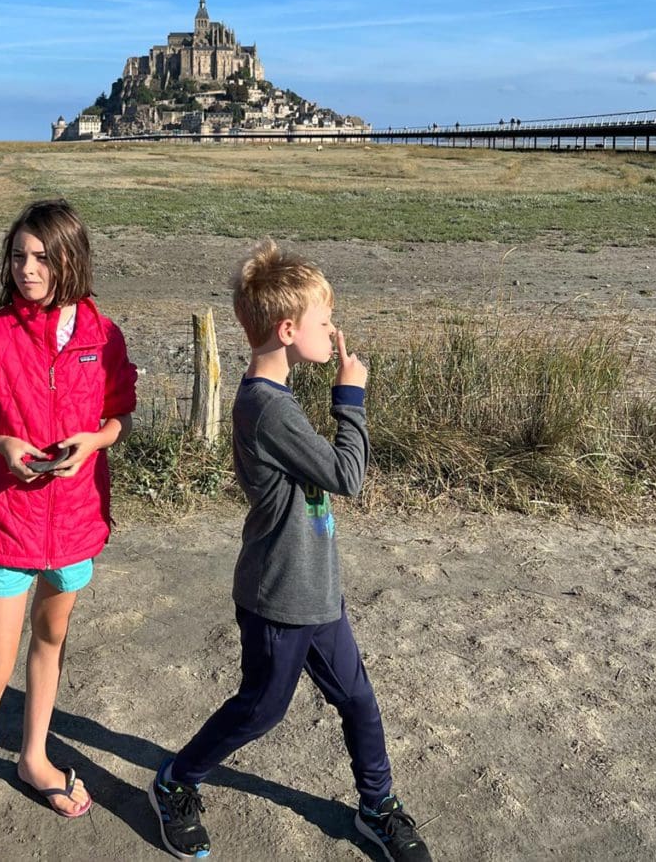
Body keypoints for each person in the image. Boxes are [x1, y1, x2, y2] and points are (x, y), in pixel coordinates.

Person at [149, 240, 432, 862]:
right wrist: (351, 395)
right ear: (286, 329)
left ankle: (377, 805)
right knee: (260, 709)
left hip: (316, 587)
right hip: (279, 594)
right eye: (325, 322)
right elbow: (348, 476)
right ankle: (176, 780)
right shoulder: (265, 407)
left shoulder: (275, 398)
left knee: (357, 698)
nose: (334, 333)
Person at [0, 199, 137, 862]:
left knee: (51, 643)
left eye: (42, 257)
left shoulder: (103, 337)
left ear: (70, 260)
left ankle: (32, 757)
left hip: (78, 523)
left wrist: (95, 441)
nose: (28, 269)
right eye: (19, 256)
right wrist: (0, 444)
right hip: (9, 526)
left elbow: (120, 417)